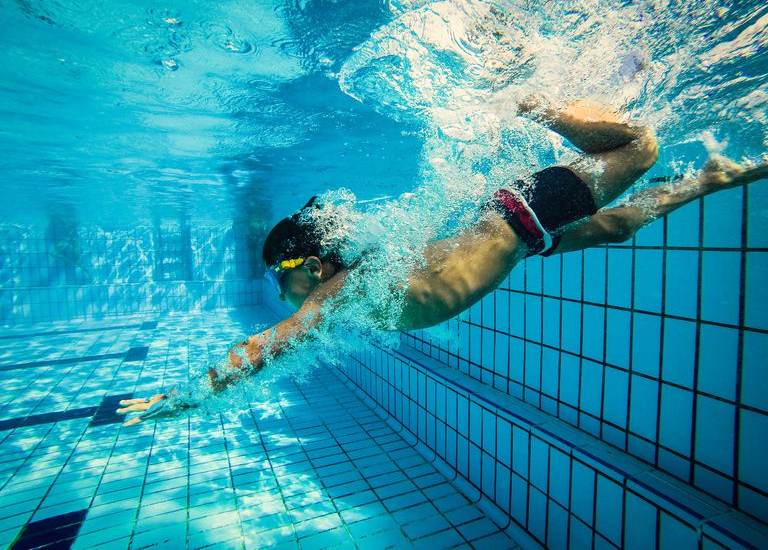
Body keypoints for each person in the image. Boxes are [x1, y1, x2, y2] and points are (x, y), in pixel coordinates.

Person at [117, 96, 767, 425]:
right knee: (616, 229)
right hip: (518, 233)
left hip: (521, 214)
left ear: (311, 266)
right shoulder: (372, 269)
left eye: (281, 276)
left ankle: (532, 99)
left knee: (640, 145)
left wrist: (183, 398)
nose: (282, 291)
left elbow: (265, 347)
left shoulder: (338, 289)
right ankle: (707, 180)